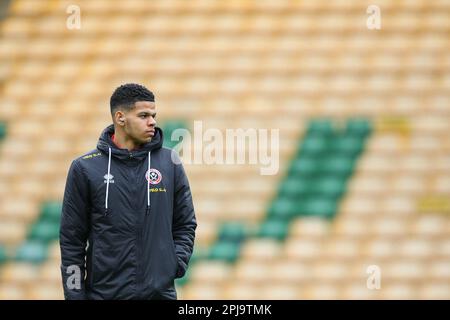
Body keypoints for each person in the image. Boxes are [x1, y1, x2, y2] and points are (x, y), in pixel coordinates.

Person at [60, 83, 197, 300]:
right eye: (143, 115)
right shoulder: (85, 168)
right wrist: (74, 295)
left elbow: (185, 224)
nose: (152, 121)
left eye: (153, 115)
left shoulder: (169, 163)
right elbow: (71, 241)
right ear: (120, 118)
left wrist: (174, 264)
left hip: (159, 295)